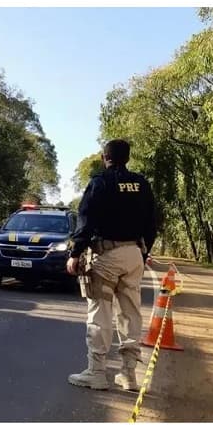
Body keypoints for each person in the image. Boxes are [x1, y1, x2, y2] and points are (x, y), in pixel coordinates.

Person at [65, 139, 157, 391]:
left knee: (100, 313)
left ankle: (96, 372)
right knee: (130, 314)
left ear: (105, 157)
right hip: (134, 254)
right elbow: (152, 222)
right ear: (127, 158)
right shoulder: (141, 184)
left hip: (106, 256)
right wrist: (144, 248)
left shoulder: (100, 183)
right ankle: (128, 375)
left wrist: (75, 252)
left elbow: (85, 219)